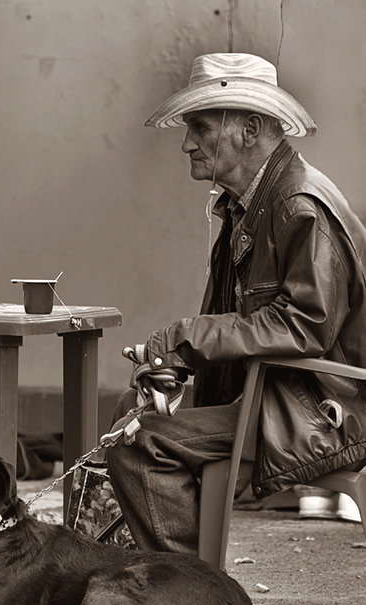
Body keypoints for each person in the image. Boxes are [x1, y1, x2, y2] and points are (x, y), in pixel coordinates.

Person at [106, 53, 366, 554]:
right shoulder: (250, 203)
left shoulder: (296, 204)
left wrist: (186, 339)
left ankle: (186, 598)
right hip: (277, 393)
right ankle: (182, 582)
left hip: (323, 410)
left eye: (200, 127)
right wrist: (177, 362)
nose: (186, 143)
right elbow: (244, 325)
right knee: (132, 408)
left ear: (250, 128)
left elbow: (306, 326)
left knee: (141, 442)